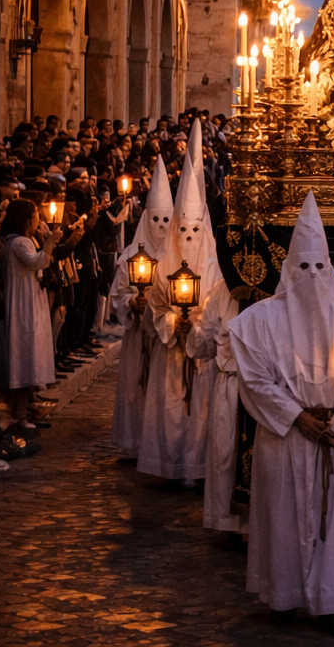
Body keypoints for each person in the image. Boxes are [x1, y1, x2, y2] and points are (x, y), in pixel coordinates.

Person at [229, 192, 334, 635]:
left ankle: (332, 600)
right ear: (288, 271)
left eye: (319, 267)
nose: (311, 276)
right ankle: (281, 595)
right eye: (303, 267)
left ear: (331, 269)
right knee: (281, 515)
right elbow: (255, 380)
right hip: (285, 434)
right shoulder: (259, 321)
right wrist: (298, 417)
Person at [177, 121, 243, 539]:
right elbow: (204, 342)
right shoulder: (221, 293)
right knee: (224, 454)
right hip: (226, 386)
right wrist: (184, 325)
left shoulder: (225, 290)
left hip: (252, 390)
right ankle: (227, 521)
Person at [135, 150, 209, 487]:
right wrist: (172, 324)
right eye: (184, 228)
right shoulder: (164, 265)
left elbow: (217, 311)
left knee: (197, 411)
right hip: (170, 353)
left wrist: (195, 325)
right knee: (170, 409)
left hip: (199, 354)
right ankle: (168, 465)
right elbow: (156, 309)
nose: (189, 236)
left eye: (196, 229)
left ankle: (194, 467)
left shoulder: (212, 268)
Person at [107, 159, 172, 459]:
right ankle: (135, 444)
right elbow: (118, 294)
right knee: (136, 385)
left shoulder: (177, 256)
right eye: (155, 219)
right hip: (138, 336)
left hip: (164, 335)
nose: (160, 226)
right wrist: (133, 302)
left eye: (165, 220)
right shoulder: (132, 255)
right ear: (146, 218)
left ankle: (158, 446)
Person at [0, 198, 62, 432]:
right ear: (25, 218)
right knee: (24, 357)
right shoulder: (20, 242)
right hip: (23, 303)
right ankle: (18, 416)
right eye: (35, 215)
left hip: (26, 299)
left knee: (24, 357)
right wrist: (50, 242)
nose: (38, 219)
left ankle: (19, 413)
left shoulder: (19, 241)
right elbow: (38, 262)